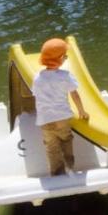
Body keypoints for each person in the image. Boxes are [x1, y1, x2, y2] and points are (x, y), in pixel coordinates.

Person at [33, 38, 89, 175]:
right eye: (65, 56)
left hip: (44, 120)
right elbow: (74, 94)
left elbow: (36, 94)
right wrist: (82, 111)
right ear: (61, 58)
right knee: (66, 141)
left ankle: (56, 173)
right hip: (61, 118)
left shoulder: (37, 77)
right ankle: (69, 168)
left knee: (51, 148)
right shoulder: (65, 76)